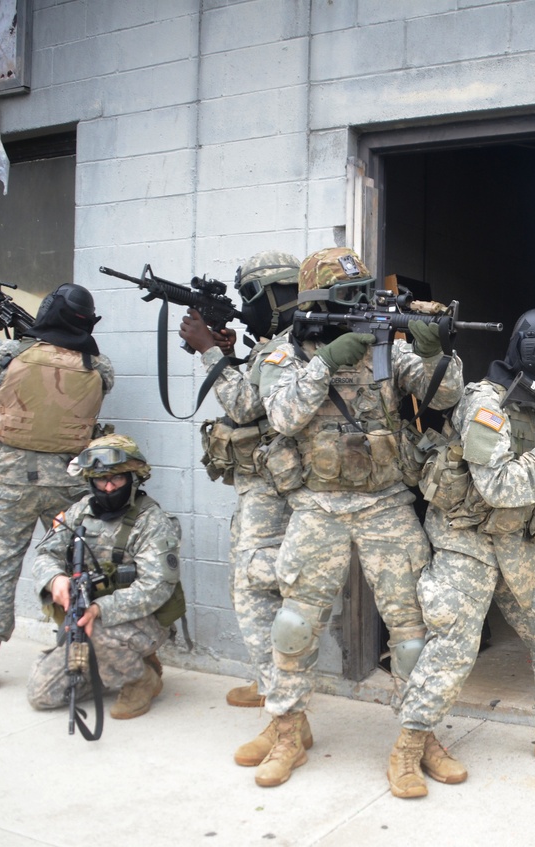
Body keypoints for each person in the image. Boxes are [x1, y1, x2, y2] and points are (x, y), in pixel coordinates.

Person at [390, 308, 535, 798]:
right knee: (454, 649)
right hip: (468, 540)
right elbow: (499, 486)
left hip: (516, 543)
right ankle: (408, 750)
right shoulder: (485, 401)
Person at [250, 247, 467, 788]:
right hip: (317, 505)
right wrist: (325, 361)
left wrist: (435, 349)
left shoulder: (384, 348)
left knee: (414, 632)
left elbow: (448, 393)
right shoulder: (287, 353)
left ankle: (422, 735)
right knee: (295, 625)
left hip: (386, 503)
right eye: (349, 297)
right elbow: (280, 415)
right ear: (319, 301)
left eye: (364, 293)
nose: (363, 304)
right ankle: (287, 732)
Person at [179, 250, 312, 766]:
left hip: (272, 493)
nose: (244, 308)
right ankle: (273, 694)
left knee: (257, 597)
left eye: (250, 298)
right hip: (259, 488)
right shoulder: (280, 345)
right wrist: (231, 354)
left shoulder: (287, 348)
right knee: (258, 592)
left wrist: (211, 352)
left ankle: (289, 726)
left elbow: (246, 407)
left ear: (274, 296)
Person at [0, 283, 114, 691]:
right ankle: (74, 658)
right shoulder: (99, 366)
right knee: (73, 571)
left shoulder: (11, 354)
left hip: (10, 483)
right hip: (68, 484)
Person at [26, 434, 184, 719]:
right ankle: (110, 667)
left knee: (96, 630)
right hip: (86, 618)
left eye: (117, 479)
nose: (108, 487)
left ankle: (141, 681)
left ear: (133, 478)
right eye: (100, 480)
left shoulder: (152, 522)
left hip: (142, 619)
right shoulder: (78, 513)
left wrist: (100, 609)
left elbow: (155, 588)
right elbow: (45, 553)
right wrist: (55, 580)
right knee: (42, 694)